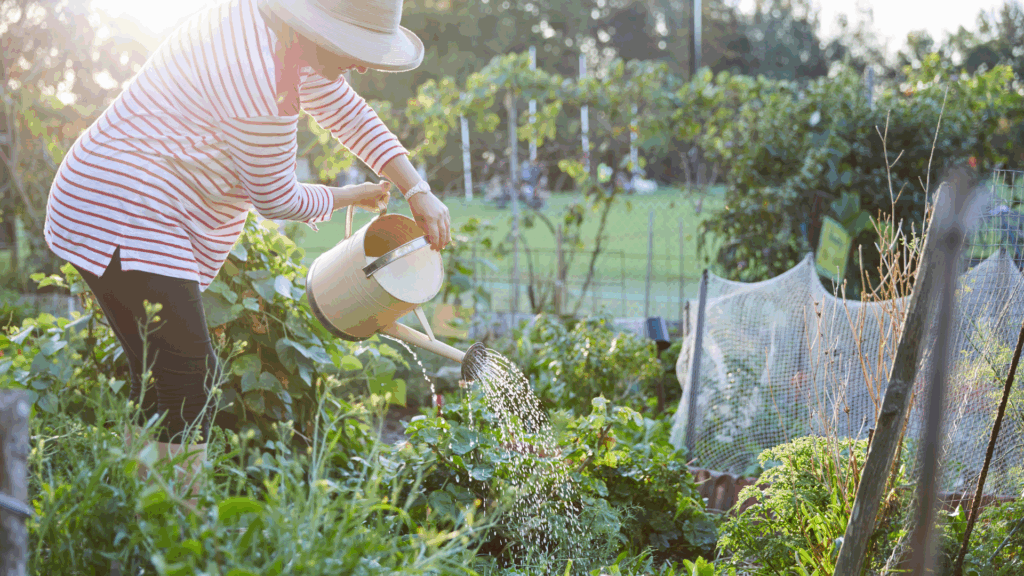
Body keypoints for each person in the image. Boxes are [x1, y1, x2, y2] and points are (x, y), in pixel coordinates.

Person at [43, 0, 450, 511]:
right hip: (124, 208)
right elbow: (276, 199)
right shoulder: (258, 78)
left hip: (125, 199)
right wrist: (350, 196)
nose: (365, 65)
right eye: (356, 48)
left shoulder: (283, 31)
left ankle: (136, 518)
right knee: (188, 375)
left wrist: (415, 187)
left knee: (164, 372)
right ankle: (173, 534)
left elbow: (341, 105)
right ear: (318, 27)